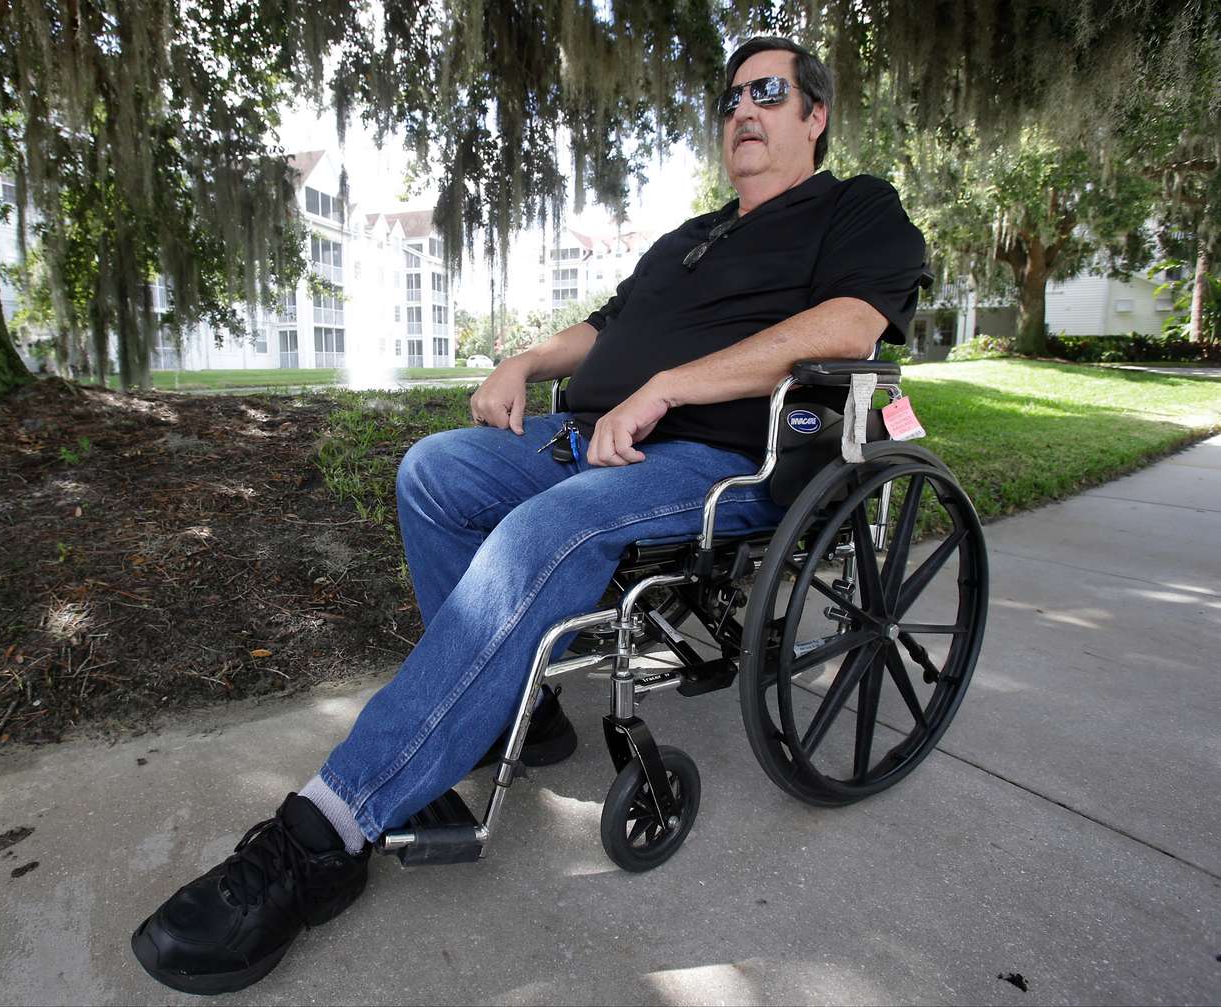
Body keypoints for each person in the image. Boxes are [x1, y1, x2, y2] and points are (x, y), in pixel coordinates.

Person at [130, 35, 926, 995]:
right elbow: (606, 327)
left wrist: (668, 388)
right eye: (730, 99)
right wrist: (524, 361)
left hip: (721, 457)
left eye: (766, 92)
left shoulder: (856, 208)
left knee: (547, 533)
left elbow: (849, 327)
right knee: (433, 470)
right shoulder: (693, 236)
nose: (742, 112)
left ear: (815, 114)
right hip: (588, 434)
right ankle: (525, 707)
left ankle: (325, 834)